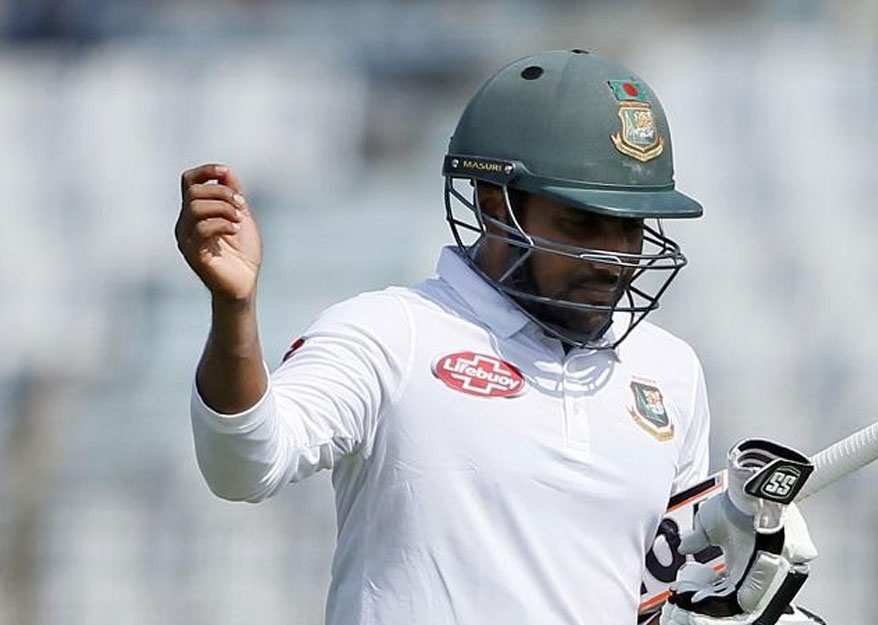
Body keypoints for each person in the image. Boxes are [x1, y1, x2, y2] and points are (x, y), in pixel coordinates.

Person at [176, 50, 817, 625]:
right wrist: (235, 309)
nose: (614, 257)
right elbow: (243, 467)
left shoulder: (669, 370)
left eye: (630, 226)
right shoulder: (390, 333)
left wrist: (722, 601)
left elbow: (659, 592)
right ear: (493, 203)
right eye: (583, 222)